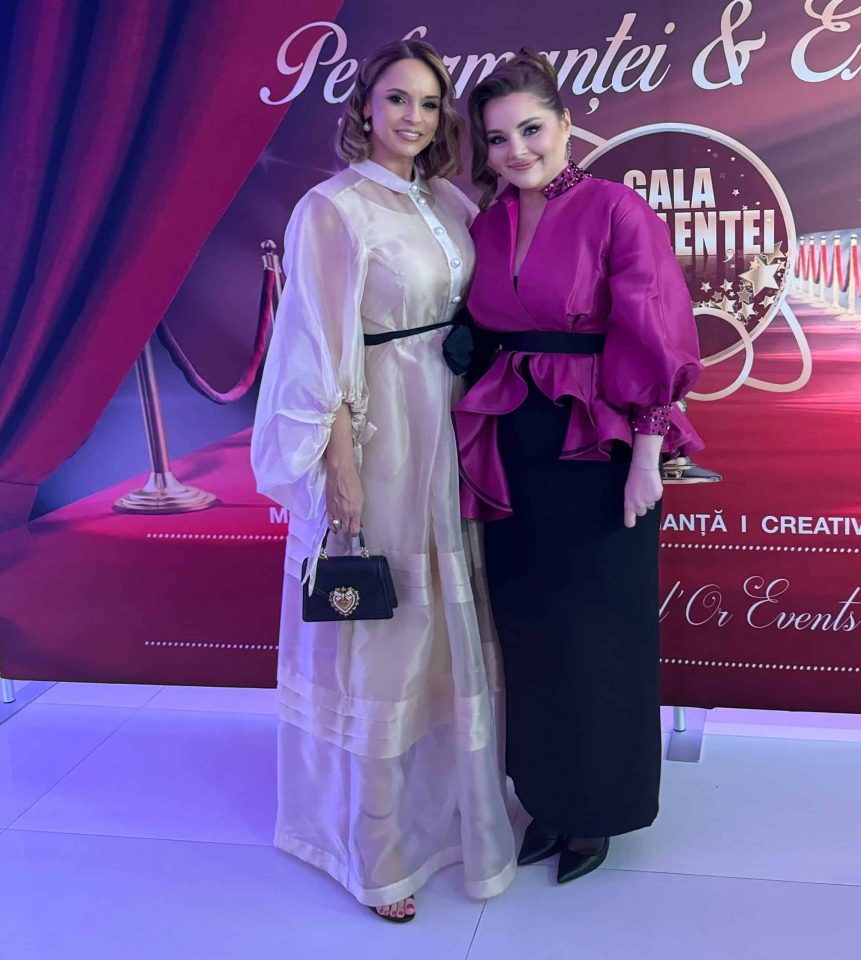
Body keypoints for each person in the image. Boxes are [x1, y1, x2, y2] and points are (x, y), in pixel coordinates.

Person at [251, 39, 516, 923]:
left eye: (431, 104)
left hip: (449, 422)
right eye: (398, 99)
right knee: (384, 632)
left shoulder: (444, 197)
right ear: (365, 106)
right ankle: (374, 846)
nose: (414, 117)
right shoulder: (332, 209)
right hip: (383, 435)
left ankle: (448, 810)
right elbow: (317, 349)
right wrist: (341, 468)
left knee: (446, 627)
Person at [454, 50, 704, 885]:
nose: (517, 150)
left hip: (599, 443)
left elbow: (658, 335)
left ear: (565, 125)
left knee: (603, 631)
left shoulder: (616, 209)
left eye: (531, 128)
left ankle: (600, 812)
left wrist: (646, 454)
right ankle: (549, 800)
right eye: (497, 139)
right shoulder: (485, 226)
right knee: (529, 627)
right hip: (514, 441)